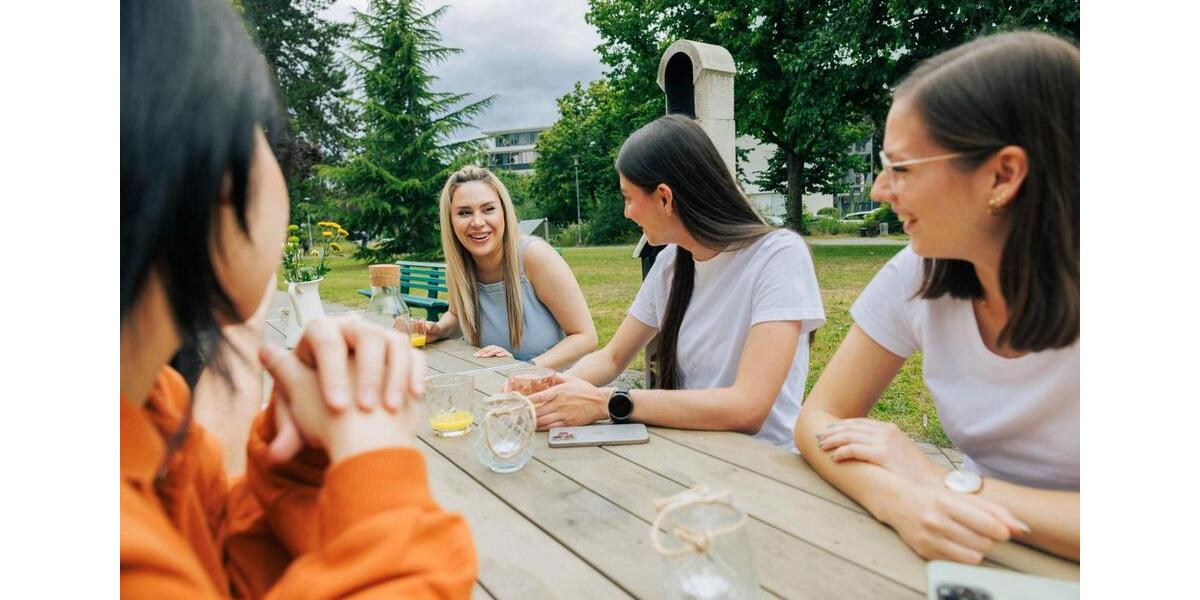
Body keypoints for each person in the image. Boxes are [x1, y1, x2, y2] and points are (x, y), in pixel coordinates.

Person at [121, 0, 476, 596]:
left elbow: (211, 563)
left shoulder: (151, 411)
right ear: (212, 172)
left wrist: (301, 471)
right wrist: (375, 469)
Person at [793, 31, 1079, 563]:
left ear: (1003, 175)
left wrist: (942, 483)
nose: (879, 190)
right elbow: (819, 417)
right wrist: (898, 501)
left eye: (901, 168)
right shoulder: (919, 272)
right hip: (973, 553)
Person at [528, 115, 825, 448]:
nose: (627, 212)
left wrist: (607, 402)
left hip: (764, 463)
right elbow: (612, 357)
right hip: (692, 453)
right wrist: (549, 392)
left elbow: (748, 408)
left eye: (628, 197)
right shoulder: (672, 262)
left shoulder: (778, 255)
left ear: (665, 198)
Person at [419, 166, 597, 369]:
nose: (477, 222)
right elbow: (457, 316)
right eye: (464, 213)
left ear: (504, 212)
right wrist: (437, 330)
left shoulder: (535, 256)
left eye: (488, 209)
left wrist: (521, 368)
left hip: (557, 382)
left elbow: (585, 337)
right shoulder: (457, 268)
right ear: (450, 220)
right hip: (494, 383)